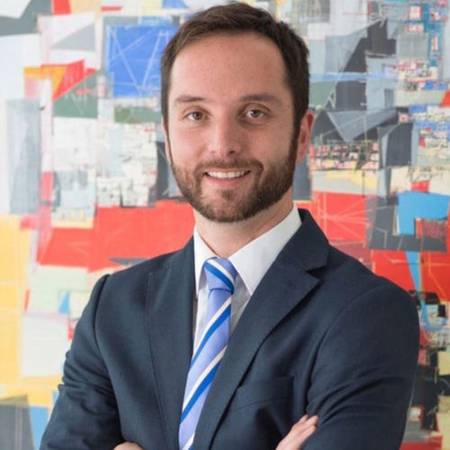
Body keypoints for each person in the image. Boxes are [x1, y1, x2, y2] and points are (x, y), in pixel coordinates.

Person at [40, 3, 419, 449]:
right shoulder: (113, 308)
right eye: (196, 115)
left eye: (254, 112)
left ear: (301, 135)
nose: (223, 145)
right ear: (167, 134)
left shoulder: (366, 314)